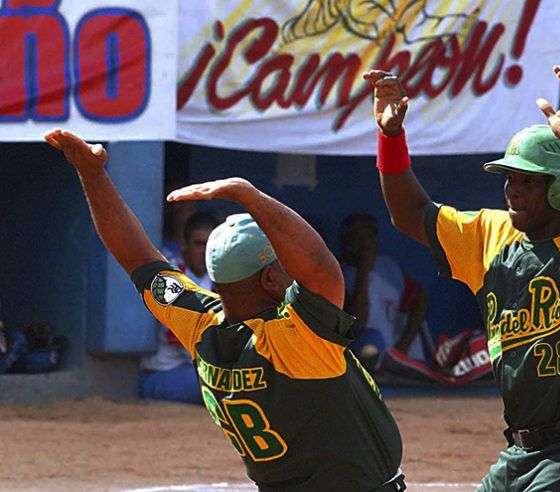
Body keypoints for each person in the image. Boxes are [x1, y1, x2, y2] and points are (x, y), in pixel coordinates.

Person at [44, 129, 405, 491]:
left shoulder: (202, 328)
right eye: (283, 263)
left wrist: (92, 176)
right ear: (268, 279)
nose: (291, 269)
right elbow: (321, 266)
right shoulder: (296, 340)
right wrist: (249, 195)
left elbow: (137, 257)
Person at [364, 65, 560, 491]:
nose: (513, 190)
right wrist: (391, 138)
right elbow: (410, 215)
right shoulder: (491, 234)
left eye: (528, 182)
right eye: (510, 179)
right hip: (519, 455)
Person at [139, 211, 220, 404]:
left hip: (198, 371)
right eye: (199, 244)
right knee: (224, 387)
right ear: (184, 245)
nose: (205, 251)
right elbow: (184, 342)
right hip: (162, 373)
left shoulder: (222, 280)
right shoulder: (169, 278)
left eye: (210, 244)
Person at [339, 213, 430, 368]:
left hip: (395, 344)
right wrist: (363, 271)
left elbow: (420, 300)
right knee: (370, 342)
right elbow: (358, 324)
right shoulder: (339, 274)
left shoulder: (388, 267)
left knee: (413, 342)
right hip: (363, 347)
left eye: (370, 237)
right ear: (347, 242)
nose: (366, 244)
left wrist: (403, 344)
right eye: (358, 238)